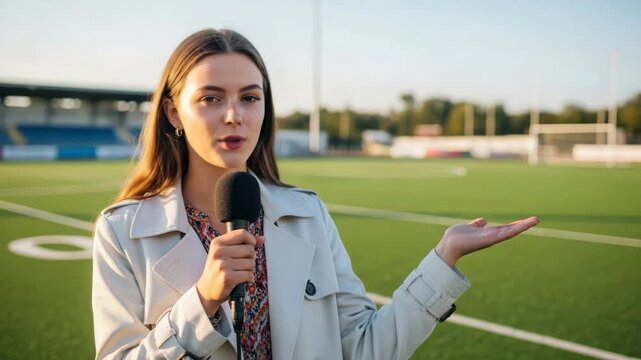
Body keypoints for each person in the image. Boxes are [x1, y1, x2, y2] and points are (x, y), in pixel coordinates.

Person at [91, 28, 539, 360]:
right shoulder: (121, 231)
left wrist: (443, 260)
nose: (234, 116)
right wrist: (203, 300)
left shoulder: (308, 214)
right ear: (174, 112)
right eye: (211, 99)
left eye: (250, 98)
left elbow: (364, 348)